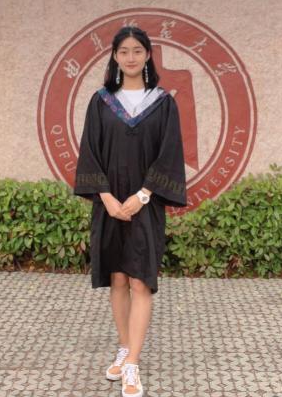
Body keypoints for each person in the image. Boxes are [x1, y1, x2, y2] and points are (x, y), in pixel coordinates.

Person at [74, 26, 186, 397]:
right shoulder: (101, 101)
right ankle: (124, 347)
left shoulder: (163, 103)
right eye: (124, 51)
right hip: (109, 205)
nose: (131, 57)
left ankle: (133, 363)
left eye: (138, 50)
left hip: (145, 205)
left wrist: (143, 194)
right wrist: (105, 197)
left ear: (148, 55)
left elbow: (169, 153)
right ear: (115, 57)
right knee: (119, 278)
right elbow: (90, 150)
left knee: (141, 281)